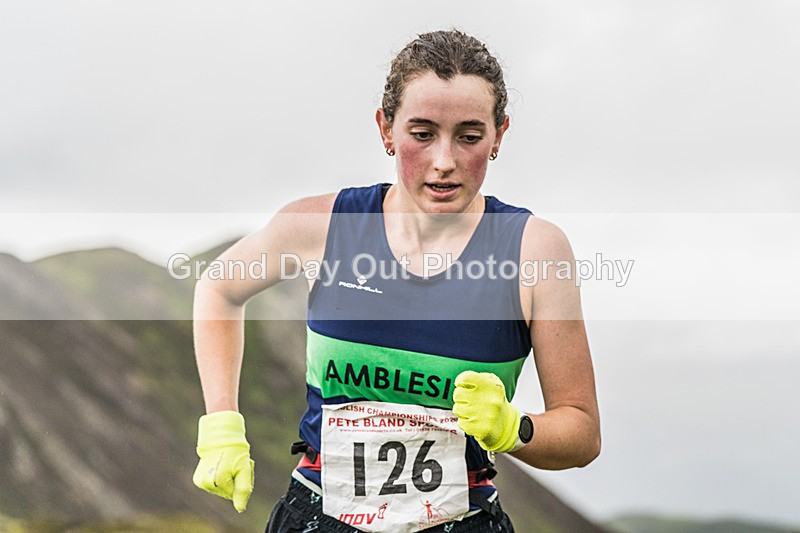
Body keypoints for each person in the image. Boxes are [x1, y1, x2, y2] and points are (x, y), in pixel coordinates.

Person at [192, 29, 600, 533]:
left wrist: (513, 428)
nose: (444, 161)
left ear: (499, 135)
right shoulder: (322, 226)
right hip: (317, 516)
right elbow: (219, 287)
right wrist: (221, 426)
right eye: (422, 134)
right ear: (386, 129)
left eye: (469, 136)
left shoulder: (536, 251)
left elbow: (582, 431)